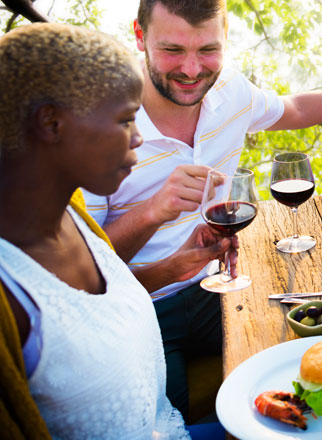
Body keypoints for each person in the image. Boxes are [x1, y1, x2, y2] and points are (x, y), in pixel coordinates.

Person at [81, 0, 322, 420]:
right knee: (164, 421)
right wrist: (151, 212)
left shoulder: (229, 92)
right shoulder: (101, 123)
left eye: (209, 50)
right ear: (139, 36)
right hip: (138, 310)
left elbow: (292, 108)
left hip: (215, 287)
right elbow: (82, 271)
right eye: (173, 49)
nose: (192, 70)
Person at [0, 23, 221, 439]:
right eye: (124, 121)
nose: (138, 138)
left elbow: (87, 311)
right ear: (51, 124)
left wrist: (175, 266)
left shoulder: (72, 214)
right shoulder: (8, 289)